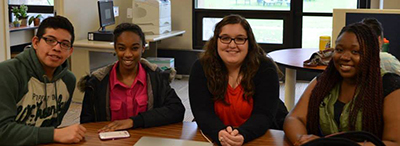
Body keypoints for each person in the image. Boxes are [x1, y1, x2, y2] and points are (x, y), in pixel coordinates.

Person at [283, 23, 400, 145]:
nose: (344, 57)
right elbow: (293, 118)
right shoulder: (324, 82)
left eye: (355, 52)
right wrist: (302, 139)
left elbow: (395, 143)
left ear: (370, 55)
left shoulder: (390, 86)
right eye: (339, 50)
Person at [189, 14, 287, 146]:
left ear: (249, 42)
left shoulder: (265, 68)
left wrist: (242, 134)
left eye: (240, 39)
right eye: (225, 38)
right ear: (216, 41)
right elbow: (202, 112)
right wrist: (219, 133)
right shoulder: (201, 67)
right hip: (216, 136)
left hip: (257, 136)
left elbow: (263, 114)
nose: (232, 45)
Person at [79, 23, 185, 131]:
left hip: (145, 140)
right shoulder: (97, 82)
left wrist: (134, 121)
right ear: (115, 48)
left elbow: (177, 110)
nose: (128, 54)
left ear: (143, 48)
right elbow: (86, 124)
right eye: (122, 48)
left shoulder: (155, 77)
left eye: (134, 48)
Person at [0, 16, 86, 145]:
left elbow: (54, 124)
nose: (57, 48)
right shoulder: (7, 73)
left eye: (64, 44)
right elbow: (2, 131)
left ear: (70, 51)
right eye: (50, 40)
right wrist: (54, 134)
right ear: (35, 42)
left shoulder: (68, 80)